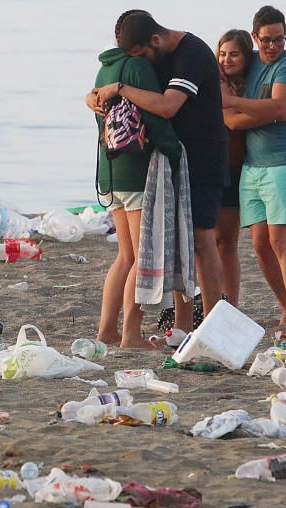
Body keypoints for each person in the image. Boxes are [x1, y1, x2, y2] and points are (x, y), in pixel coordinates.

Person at [89, 11, 228, 333]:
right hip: (167, 161)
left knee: (202, 240)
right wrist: (93, 96)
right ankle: (181, 324)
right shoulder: (146, 55)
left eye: (142, 55)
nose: (140, 62)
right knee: (176, 242)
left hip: (202, 156)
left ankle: (212, 320)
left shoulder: (192, 54)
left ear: (154, 40)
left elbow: (167, 107)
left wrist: (120, 88)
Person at [93, 25, 183, 349]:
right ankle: (130, 334)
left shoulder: (104, 68)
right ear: (143, 44)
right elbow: (156, 117)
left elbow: (100, 117)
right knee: (141, 256)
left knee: (125, 255)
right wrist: (175, 151)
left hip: (110, 170)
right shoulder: (138, 67)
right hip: (136, 171)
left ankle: (106, 331)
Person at [220, 6, 286, 331]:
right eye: (267, 40)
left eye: (279, 39)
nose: (274, 46)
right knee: (259, 244)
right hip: (252, 167)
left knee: (282, 242)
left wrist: (237, 104)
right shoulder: (251, 62)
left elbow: (283, 105)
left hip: (285, 166)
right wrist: (270, 112)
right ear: (255, 38)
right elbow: (230, 120)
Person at [214, 29, 253, 307]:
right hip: (214, 166)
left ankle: (231, 303)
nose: (226, 60)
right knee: (208, 241)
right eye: (223, 53)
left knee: (227, 241)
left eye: (234, 54)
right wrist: (276, 112)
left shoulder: (253, 82)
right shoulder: (214, 81)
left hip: (240, 167)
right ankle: (212, 300)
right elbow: (230, 120)